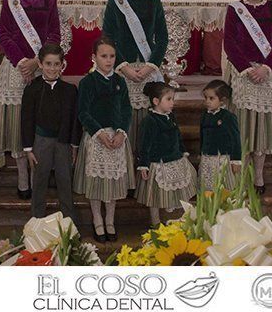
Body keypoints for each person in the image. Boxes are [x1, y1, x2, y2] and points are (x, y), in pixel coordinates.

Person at [0, 0, 61, 200]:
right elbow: (4, 35)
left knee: (39, 121)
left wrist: (37, 61)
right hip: (16, 68)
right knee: (17, 121)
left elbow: (54, 33)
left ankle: (38, 176)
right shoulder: (9, 2)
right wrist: (22, 62)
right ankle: (22, 176)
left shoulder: (49, 2)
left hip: (44, 67)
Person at [223, 0, 272, 195]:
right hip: (243, 73)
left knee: (261, 126)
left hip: (266, 72)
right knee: (243, 126)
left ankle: (259, 173)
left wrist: (266, 67)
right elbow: (230, 42)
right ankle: (241, 174)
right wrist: (246, 69)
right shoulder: (235, 9)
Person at [102, 0, 168, 159]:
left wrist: (150, 66)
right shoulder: (115, 3)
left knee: (147, 120)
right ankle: (126, 170)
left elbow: (163, 37)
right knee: (125, 119)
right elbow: (108, 38)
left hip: (148, 68)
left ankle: (145, 166)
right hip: (124, 69)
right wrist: (125, 67)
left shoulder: (154, 2)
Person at [73, 37, 136, 243]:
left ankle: (110, 219)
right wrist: (99, 133)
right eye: (103, 56)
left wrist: (121, 132)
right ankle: (97, 218)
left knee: (112, 182)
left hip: (116, 138)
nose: (108, 61)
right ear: (94, 57)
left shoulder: (120, 81)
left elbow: (126, 110)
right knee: (96, 182)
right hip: (96, 138)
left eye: (112, 56)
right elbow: (83, 112)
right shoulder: (87, 82)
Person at [22, 44, 80, 221]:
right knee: (39, 182)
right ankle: (36, 222)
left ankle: (68, 225)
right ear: (40, 64)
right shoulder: (32, 89)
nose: (52, 68)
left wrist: (74, 145)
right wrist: (28, 149)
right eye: (48, 63)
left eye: (56, 64)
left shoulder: (70, 90)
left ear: (62, 65)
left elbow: (74, 120)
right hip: (41, 141)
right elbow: (26, 119)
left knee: (65, 182)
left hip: (63, 143)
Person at [135, 81, 197, 227]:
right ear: (156, 101)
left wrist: (182, 150)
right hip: (159, 163)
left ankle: (184, 219)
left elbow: (177, 134)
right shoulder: (149, 121)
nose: (172, 103)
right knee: (155, 196)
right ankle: (155, 222)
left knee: (182, 190)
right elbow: (144, 144)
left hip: (175, 159)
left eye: (173, 99)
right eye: (168, 99)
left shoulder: (171, 116)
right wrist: (143, 164)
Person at [198, 80, 242, 191]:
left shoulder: (228, 117)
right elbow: (202, 135)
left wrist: (236, 160)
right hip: (207, 158)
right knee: (208, 186)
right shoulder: (205, 116)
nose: (207, 101)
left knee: (223, 187)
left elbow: (235, 139)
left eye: (211, 98)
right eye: (206, 98)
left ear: (222, 101)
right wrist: (201, 151)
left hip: (222, 159)